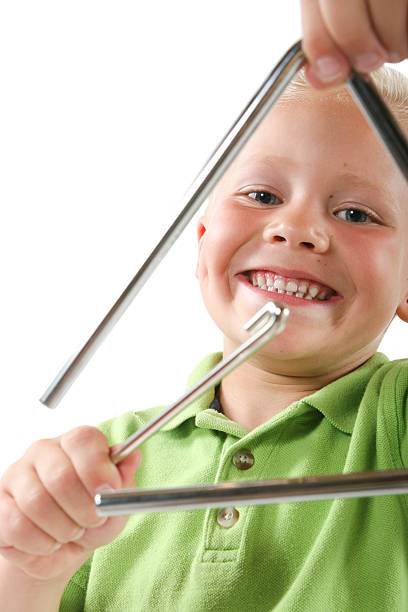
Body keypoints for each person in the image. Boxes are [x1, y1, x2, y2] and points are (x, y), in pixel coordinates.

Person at [2, 7, 408, 611]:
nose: (297, 230)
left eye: (356, 214)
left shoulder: (394, 425)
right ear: (199, 247)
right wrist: (30, 568)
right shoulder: (103, 465)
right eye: (261, 194)